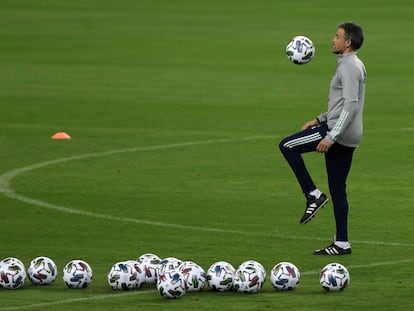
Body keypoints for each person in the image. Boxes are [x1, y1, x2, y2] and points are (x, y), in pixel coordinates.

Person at [279, 22, 366, 255]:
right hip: (349, 134)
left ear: (347, 42)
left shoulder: (349, 67)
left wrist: (331, 135)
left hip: (339, 131)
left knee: (287, 145)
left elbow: (350, 105)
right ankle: (342, 243)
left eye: (337, 37)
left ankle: (313, 195)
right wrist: (319, 120)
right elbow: (342, 105)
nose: (333, 40)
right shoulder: (353, 64)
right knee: (338, 188)